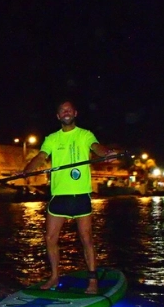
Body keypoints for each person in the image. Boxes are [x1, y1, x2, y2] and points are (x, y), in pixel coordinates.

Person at [21, 100, 114, 294]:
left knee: (86, 238)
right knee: (50, 237)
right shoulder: (52, 139)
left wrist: (107, 154)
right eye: (62, 110)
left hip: (80, 195)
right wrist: (28, 169)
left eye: (69, 109)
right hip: (59, 196)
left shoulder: (85, 134)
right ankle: (54, 277)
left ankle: (93, 281)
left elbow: (97, 147)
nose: (66, 112)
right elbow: (41, 156)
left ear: (75, 113)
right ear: (58, 116)